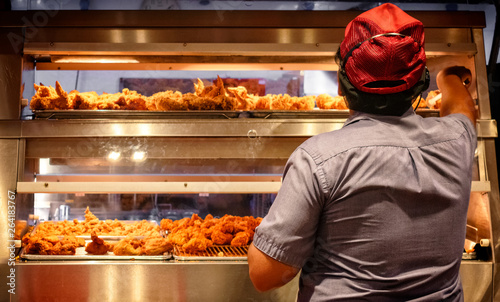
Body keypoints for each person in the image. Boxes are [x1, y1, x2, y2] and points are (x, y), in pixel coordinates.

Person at [248, 3, 477, 301]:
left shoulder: (318, 158)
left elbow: (265, 275)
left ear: (342, 86)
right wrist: (448, 78)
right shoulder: (456, 141)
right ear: (420, 84)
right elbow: (462, 110)